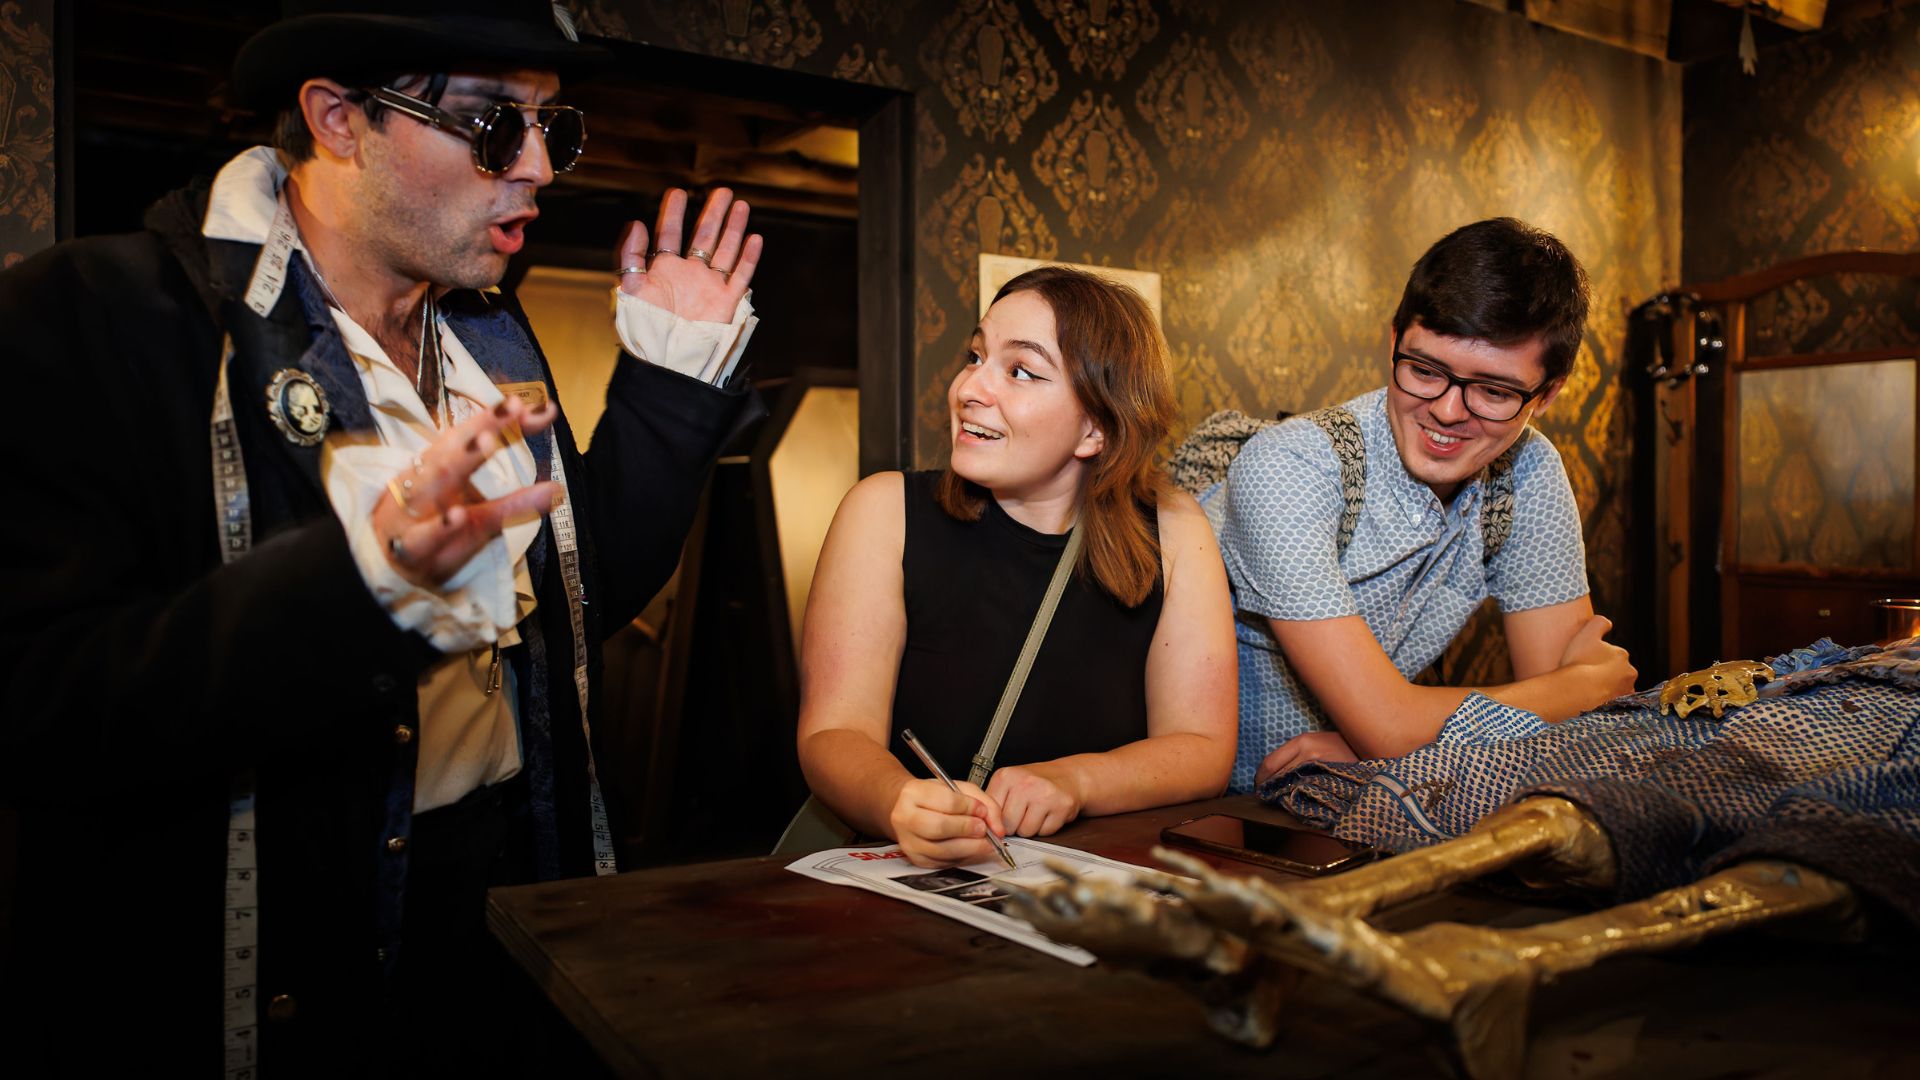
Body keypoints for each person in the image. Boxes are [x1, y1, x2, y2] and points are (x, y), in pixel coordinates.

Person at [0, 2, 765, 1074]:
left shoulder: (490, 337)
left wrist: (670, 385)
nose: (541, 166)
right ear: (338, 119)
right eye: (498, 126)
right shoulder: (102, 318)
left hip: (491, 894)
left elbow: (574, 608)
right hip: (282, 934)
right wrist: (356, 589)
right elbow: (42, 706)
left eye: (559, 127)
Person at [796, 267, 1237, 869]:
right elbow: (833, 734)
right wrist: (902, 801)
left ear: (1095, 428)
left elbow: (1204, 749)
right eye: (976, 356)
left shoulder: (1176, 530)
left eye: (1020, 371)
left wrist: (1075, 782)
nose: (970, 387)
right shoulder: (883, 511)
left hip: (1088, 893)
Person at [1202, 218, 1637, 792]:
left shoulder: (1526, 470)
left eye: (1494, 391)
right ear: (1393, 341)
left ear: (1548, 393)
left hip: (1379, 798)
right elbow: (1571, 695)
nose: (1449, 412)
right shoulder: (1289, 465)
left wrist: (1384, 743)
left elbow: (1563, 733)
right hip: (1221, 813)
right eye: (1425, 370)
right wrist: (1580, 687)